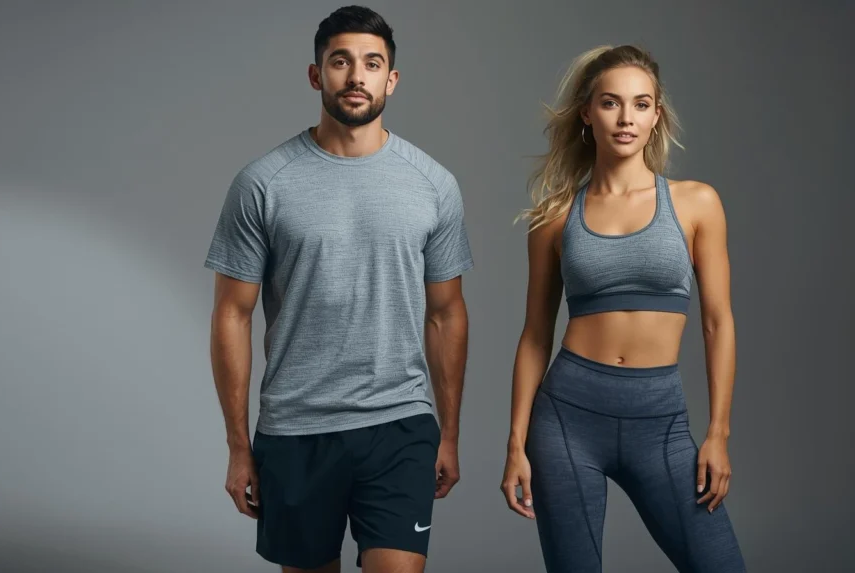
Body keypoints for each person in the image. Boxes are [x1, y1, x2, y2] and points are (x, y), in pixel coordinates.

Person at [204, 6, 473, 573]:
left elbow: (446, 314)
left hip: (399, 423)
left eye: (372, 64)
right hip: (297, 429)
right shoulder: (262, 183)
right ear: (315, 74)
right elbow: (232, 315)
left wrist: (447, 434)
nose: (356, 76)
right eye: (340, 62)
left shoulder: (433, 184)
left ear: (391, 80)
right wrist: (237, 446)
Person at [500, 45, 746, 572]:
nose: (626, 118)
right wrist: (515, 444)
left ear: (657, 114)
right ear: (588, 112)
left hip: (658, 419)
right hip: (567, 418)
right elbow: (535, 335)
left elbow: (717, 321)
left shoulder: (696, 202)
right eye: (611, 103)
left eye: (641, 104)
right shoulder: (555, 216)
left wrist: (718, 433)